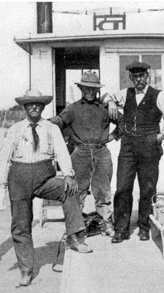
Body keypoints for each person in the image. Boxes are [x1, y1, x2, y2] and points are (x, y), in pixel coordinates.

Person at [0, 89, 93, 287]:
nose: (34, 107)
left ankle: (74, 238)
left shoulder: (51, 128)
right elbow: (4, 158)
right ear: (24, 107)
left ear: (43, 107)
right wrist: (1, 189)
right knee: (21, 225)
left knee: (70, 190)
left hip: (43, 178)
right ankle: (26, 270)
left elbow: (62, 152)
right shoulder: (15, 129)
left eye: (38, 104)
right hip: (19, 179)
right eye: (30, 104)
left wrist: (67, 174)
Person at [105, 61, 164, 243]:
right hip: (127, 148)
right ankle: (121, 229)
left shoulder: (159, 96)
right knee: (122, 188)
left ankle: (144, 227)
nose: (138, 80)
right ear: (131, 78)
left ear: (147, 76)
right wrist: (112, 103)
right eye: (135, 76)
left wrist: (159, 137)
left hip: (149, 148)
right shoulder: (124, 94)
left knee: (148, 188)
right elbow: (106, 96)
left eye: (141, 76)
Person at [49, 71, 116, 236]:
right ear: (81, 89)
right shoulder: (72, 108)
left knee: (103, 189)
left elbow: (123, 122)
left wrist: (114, 136)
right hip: (80, 153)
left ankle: (105, 223)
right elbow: (60, 120)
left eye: (93, 89)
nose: (90, 92)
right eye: (87, 88)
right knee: (77, 190)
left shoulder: (105, 108)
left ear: (98, 90)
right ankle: (76, 227)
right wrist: (46, 123)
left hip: (101, 152)